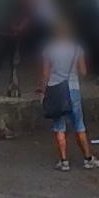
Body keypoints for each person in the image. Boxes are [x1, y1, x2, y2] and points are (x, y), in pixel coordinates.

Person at [38, 18, 95, 172]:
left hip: (55, 89)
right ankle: (88, 158)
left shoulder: (48, 49)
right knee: (79, 124)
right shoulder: (77, 49)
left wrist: (43, 91)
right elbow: (83, 71)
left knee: (59, 126)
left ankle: (64, 161)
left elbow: (45, 73)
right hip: (73, 88)